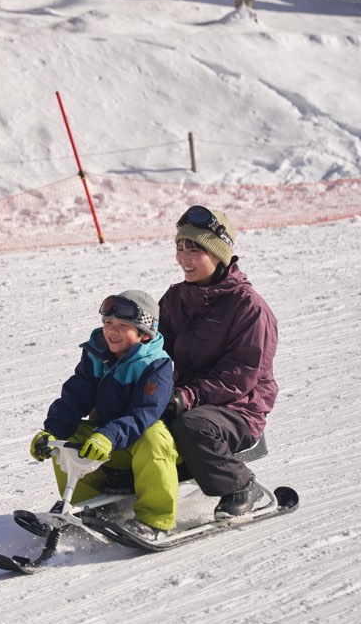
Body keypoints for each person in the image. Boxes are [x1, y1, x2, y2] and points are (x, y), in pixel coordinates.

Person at [159, 206, 278, 519]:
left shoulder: (250, 308)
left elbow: (239, 377)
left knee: (192, 426)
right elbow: (153, 348)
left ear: (219, 254)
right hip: (189, 398)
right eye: (179, 247)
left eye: (195, 249)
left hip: (238, 407)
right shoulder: (175, 299)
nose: (184, 257)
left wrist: (185, 397)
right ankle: (126, 490)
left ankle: (240, 485)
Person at [30, 290, 179, 540]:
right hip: (108, 441)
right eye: (108, 323)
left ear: (144, 334)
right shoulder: (96, 354)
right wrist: (52, 432)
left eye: (123, 325)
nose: (112, 331)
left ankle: (154, 520)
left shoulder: (156, 364)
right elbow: (76, 395)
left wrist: (108, 435)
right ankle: (90, 509)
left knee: (154, 438)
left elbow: (145, 413)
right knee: (69, 438)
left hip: (141, 441)